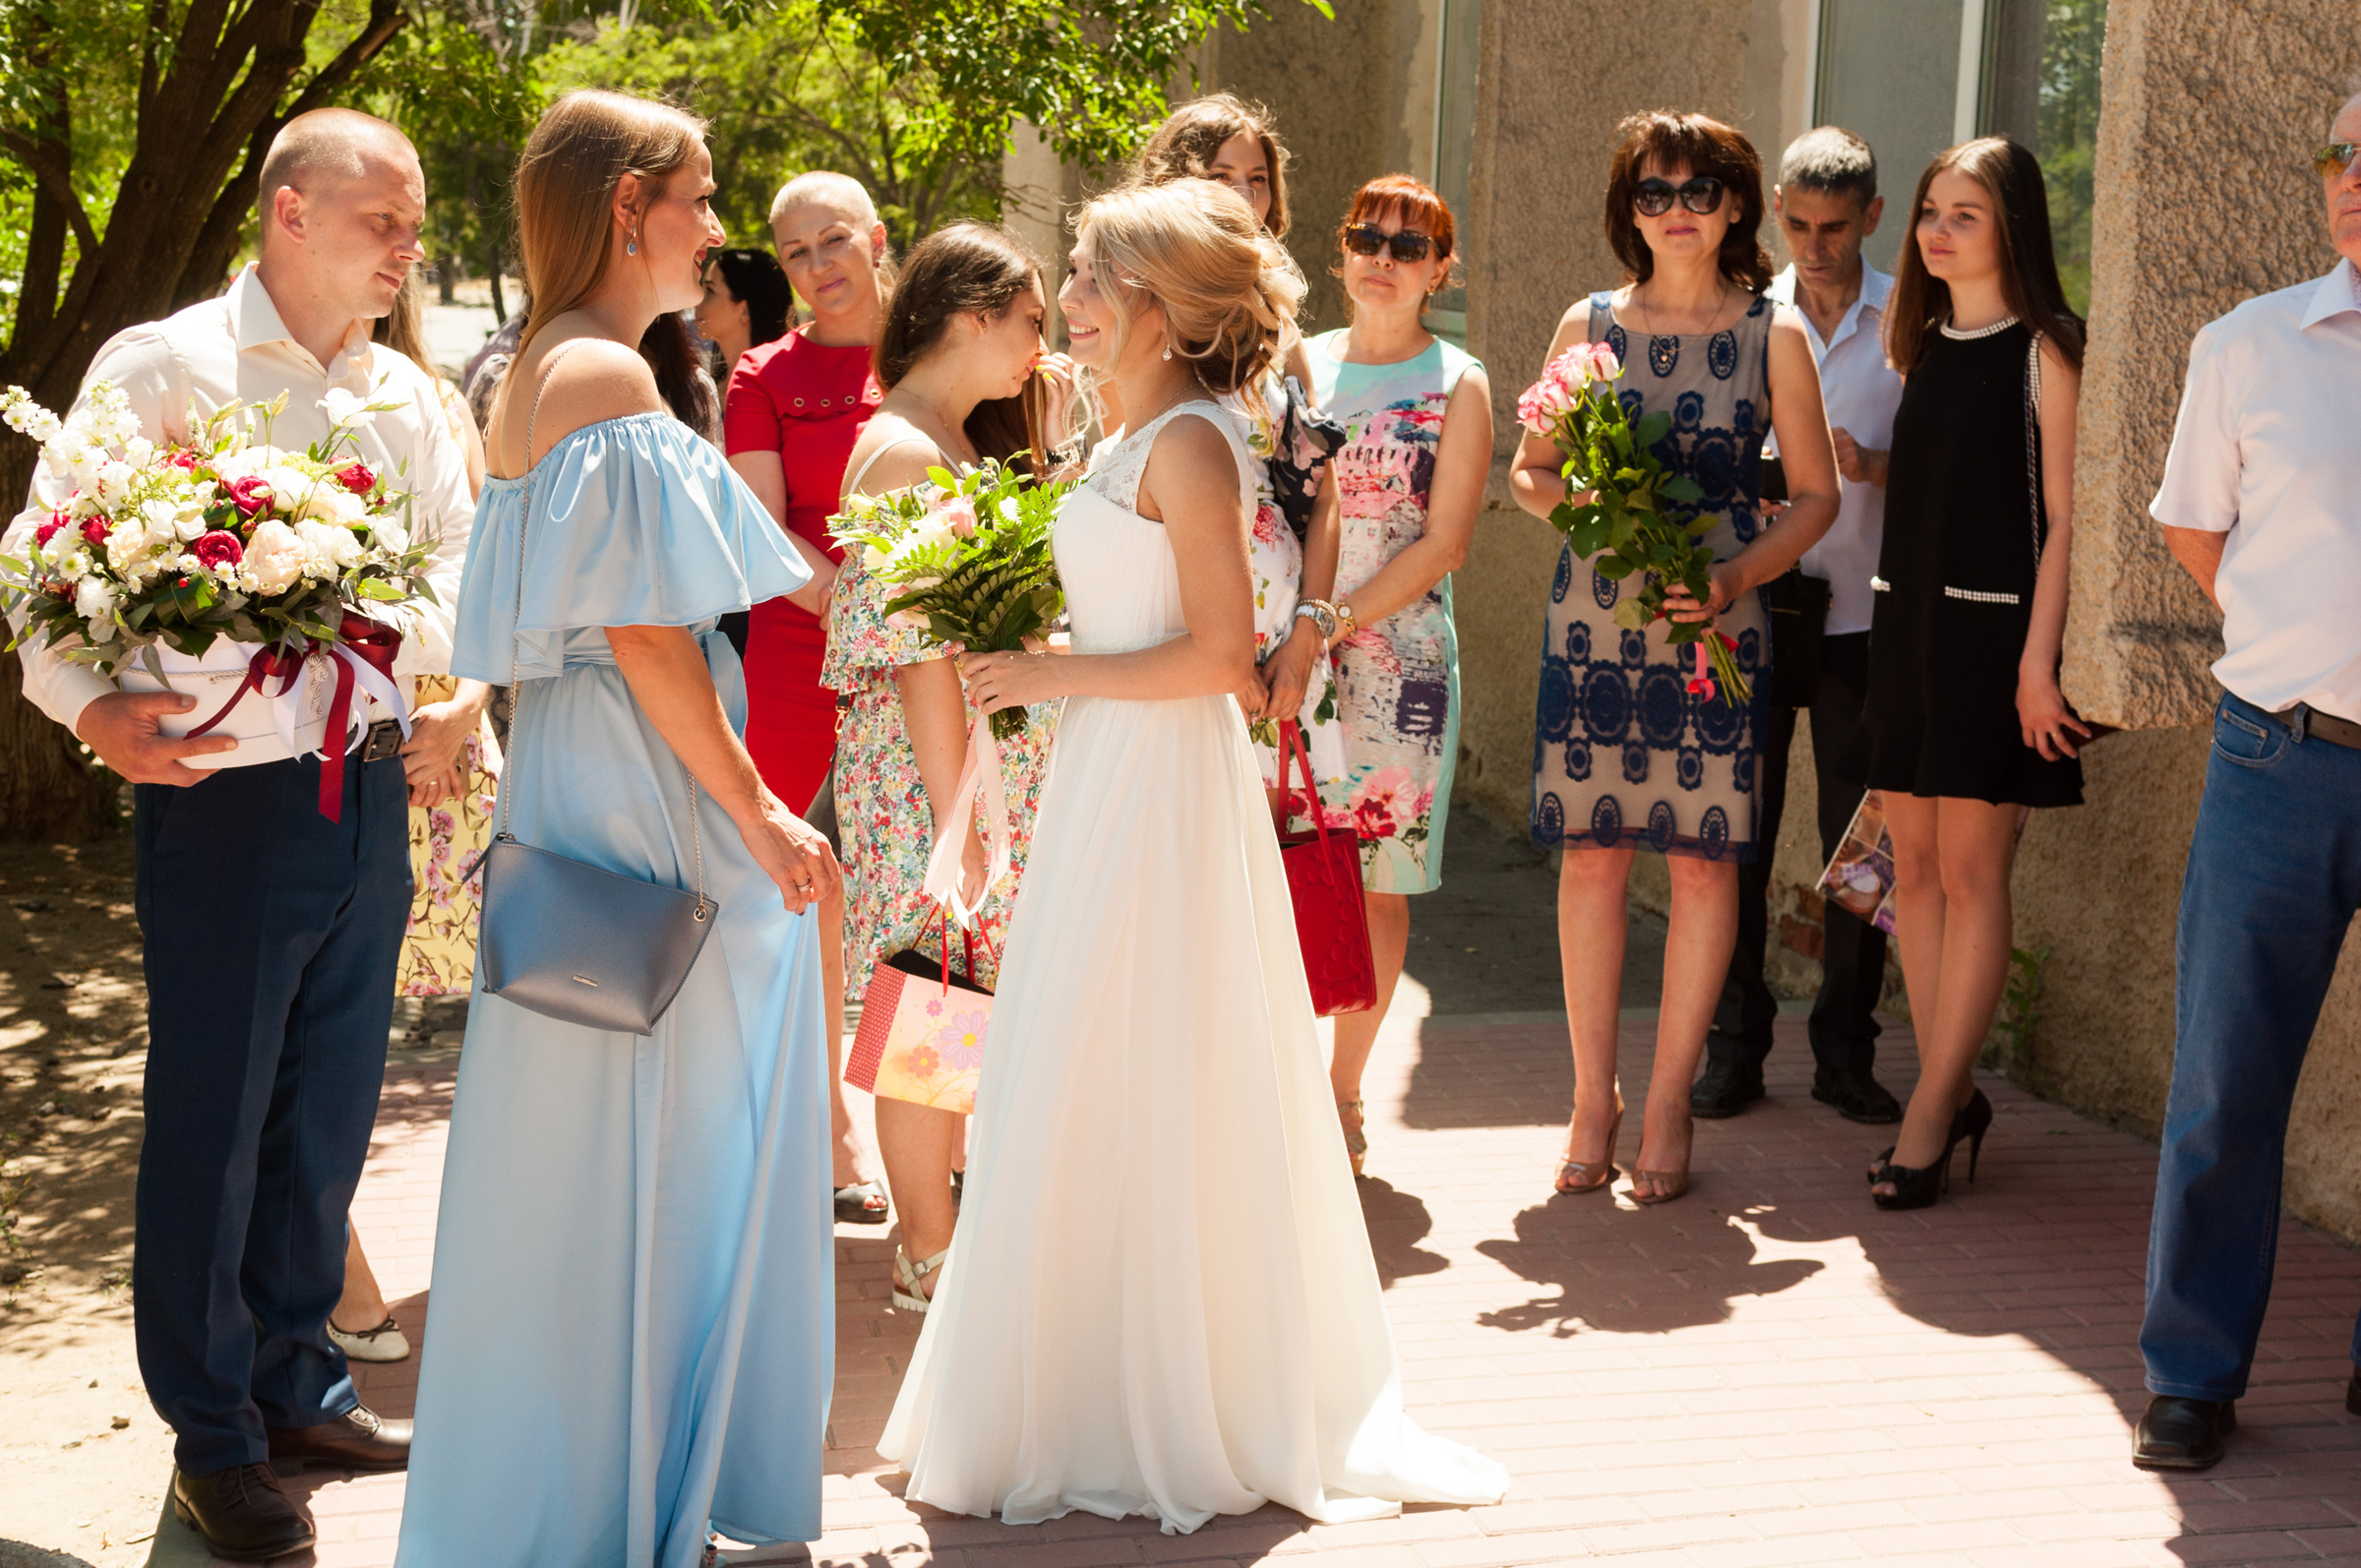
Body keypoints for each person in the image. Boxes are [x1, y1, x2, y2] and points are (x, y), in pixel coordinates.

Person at [878, 176, 1509, 1531]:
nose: (1075, 307)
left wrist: (1045, 670)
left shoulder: (1192, 447)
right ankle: (1073, 1378)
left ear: (1159, 306)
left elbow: (1227, 658)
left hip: (1161, 785)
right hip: (1110, 776)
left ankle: (1175, 1392)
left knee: (1150, 1059)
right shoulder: (1128, 435)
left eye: (1095, 282)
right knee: (1075, 1063)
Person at [0, 107, 471, 1558]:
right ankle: (211, 1434)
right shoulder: (164, 368)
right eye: (381, 218)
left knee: (330, 1104)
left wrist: (405, 654)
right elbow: (41, 566)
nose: (406, 245)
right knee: (213, 1119)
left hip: (369, 784)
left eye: (410, 222)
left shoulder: (404, 393)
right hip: (219, 800)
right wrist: (91, 715)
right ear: (287, 210)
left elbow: (462, 562)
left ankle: (294, 1378)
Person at [394, 90, 842, 1566]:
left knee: (603, 1138)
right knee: (664, 1134)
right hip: (646, 778)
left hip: (589, 766)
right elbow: (650, 635)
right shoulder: (603, 377)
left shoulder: (550, 365)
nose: (721, 228)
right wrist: (765, 810)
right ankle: (615, 1505)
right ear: (629, 204)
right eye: (702, 197)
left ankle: (592, 1490)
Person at [1510, 113, 1840, 1206]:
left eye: (1700, 191)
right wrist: (1598, 519)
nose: (1678, 211)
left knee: (1702, 862)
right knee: (1594, 856)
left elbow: (1816, 496)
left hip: (1715, 621)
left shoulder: (1771, 333)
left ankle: (1666, 1103)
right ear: (1631, 209)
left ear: (1738, 205)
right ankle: (1589, 1096)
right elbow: (1533, 473)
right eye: (1655, 193)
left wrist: (1739, 576)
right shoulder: (1588, 324)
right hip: (1601, 616)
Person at [2131, 101, 2361, 1473]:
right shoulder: (2252, 345)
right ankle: (2192, 1372)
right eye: (2343, 157)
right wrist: (2298, 644)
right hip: (2277, 758)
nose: (2355, 185)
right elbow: (2190, 526)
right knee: (2228, 1080)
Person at [825, 222, 1063, 1312]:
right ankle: (926, 1252)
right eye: (1029, 319)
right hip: (931, 773)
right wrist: (957, 815)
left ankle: (940, 1238)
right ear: (972, 313)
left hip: (957, 770)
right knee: (930, 1001)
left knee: (955, 1000)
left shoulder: (945, 436)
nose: (1039, 344)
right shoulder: (910, 447)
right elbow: (922, 652)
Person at [1857, 137, 2086, 1211]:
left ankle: (1931, 1112)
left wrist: (2039, 667)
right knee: (1911, 874)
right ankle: (1944, 1091)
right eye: (1930, 211)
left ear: (2013, 230)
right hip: (1907, 637)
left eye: (1966, 216)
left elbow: (2068, 525)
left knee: (1972, 871)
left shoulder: (2046, 350)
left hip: (1997, 645)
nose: (1937, 233)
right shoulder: (1928, 342)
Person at [1693, 125, 1904, 1126]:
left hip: (1868, 622)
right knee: (1737, 836)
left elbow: (1962, 477)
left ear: (1872, 215)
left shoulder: (1912, 319)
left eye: (1837, 226)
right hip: (1757, 614)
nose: (1816, 245)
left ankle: (1847, 1051)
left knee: (1862, 851)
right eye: (1800, 223)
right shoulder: (1745, 319)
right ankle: (1733, 1047)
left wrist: (1875, 469)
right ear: (1775, 209)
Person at [1300, 174, 1491, 1178]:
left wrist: (1330, 620)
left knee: (1378, 881)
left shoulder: (1458, 381)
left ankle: (1341, 1087)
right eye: (1366, 235)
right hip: (1290, 655)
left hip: (1399, 664)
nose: (1383, 257)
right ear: (1340, 249)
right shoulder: (1299, 362)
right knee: (1288, 867)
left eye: (1409, 247)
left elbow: (1447, 541)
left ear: (1440, 270)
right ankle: (1279, 1083)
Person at [726, 172, 894, 1224]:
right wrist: (869, 604)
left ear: (877, 239)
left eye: (835, 240)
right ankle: (831, 1134)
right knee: (811, 894)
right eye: (795, 251)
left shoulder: (930, 346)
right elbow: (758, 524)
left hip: (928, 661)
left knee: (937, 895)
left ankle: (943, 1129)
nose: (819, 265)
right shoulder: (760, 374)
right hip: (797, 663)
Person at [1134, 93, 1349, 829]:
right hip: (1177, 635)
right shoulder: (1137, 311)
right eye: (1221, 174)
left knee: (1279, 879)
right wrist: (1215, 659)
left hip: (1284, 638)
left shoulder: (1280, 327)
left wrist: (1307, 637)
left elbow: (1323, 494)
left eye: (1257, 179)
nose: (1243, 194)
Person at [697, 246, 797, 382]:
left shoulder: (782, 386)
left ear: (744, 310)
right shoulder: (705, 384)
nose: (698, 301)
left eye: (710, 290)